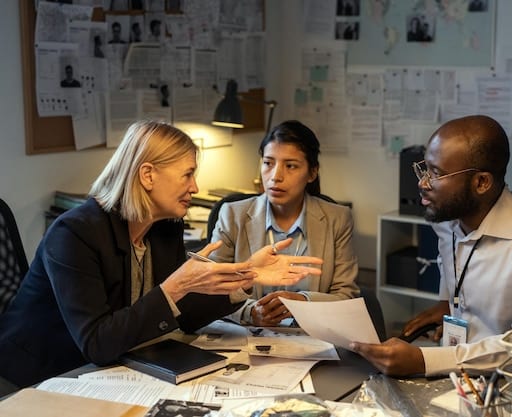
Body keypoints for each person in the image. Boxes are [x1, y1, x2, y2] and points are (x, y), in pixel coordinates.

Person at [0, 121, 323, 388]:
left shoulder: (162, 227)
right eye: (187, 174)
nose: (195, 187)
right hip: (39, 377)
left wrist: (246, 274)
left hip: (110, 372)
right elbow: (97, 342)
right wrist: (174, 287)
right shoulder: (74, 234)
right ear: (148, 175)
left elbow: (188, 311)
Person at [350, 115, 512, 377]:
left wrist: (426, 361)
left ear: (481, 182)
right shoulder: (448, 222)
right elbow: (455, 271)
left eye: (436, 173)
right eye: (425, 168)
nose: (422, 183)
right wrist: (448, 304)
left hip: (509, 384)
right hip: (457, 374)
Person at [209, 120, 360, 326]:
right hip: (247, 337)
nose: (276, 177)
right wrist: (250, 312)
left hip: (311, 337)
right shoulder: (232, 215)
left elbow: (346, 298)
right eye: (268, 163)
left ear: (312, 173)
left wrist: (303, 302)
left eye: (290, 166)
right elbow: (210, 292)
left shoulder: (337, 219)